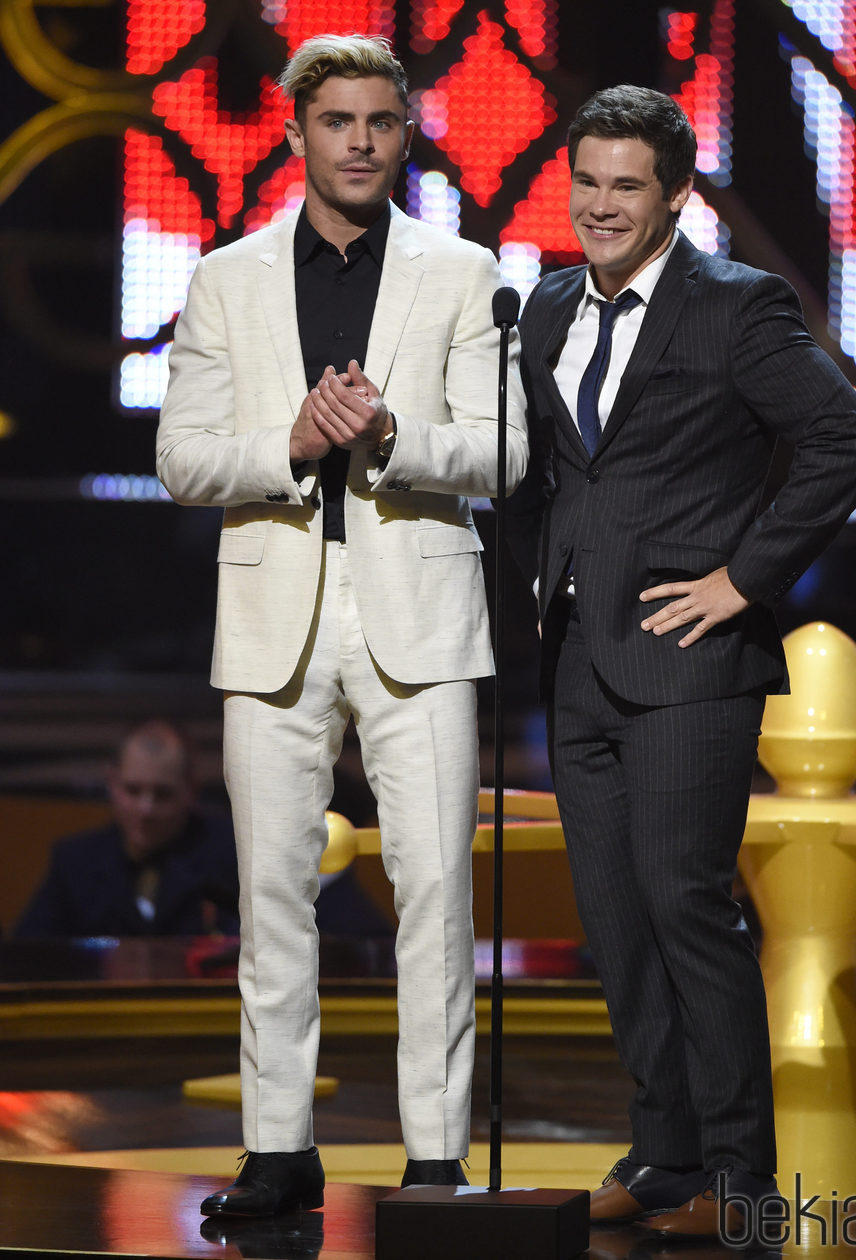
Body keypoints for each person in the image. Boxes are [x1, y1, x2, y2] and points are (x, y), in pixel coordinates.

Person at [156, 33, 527, 1217]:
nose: (359, 140)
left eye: (379, 121)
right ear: (296, 134)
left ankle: (433, 1156)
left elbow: (505, 449)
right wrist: (296, 444)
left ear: (405, 132)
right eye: (337, 122)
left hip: (416, 606)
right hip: (274, 611)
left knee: (434, 894)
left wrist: (389, 438)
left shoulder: (465, 272)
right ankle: (278, 1150)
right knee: (271, 891)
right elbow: (179, 458)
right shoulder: (225, 277)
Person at [507, 85, 856, 1239]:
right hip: (575, 657)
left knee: (683, 907)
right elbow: (557, 473)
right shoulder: (545, 307)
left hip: (689, 659)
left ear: (673, 196)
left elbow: (842, 436)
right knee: (615, 919)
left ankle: (740, 1182)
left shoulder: (734, 305)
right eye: (587, 182)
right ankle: (663, 1152)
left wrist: (742, 580)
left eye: (628, 187)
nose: (602, 206)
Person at [14, 721, 239, 939]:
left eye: (162, 794)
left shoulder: (230, 854)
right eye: (133, 790)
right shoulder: (75, 862)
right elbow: (28, 953)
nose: (146, 809)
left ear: (191, 790)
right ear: (112, 783)